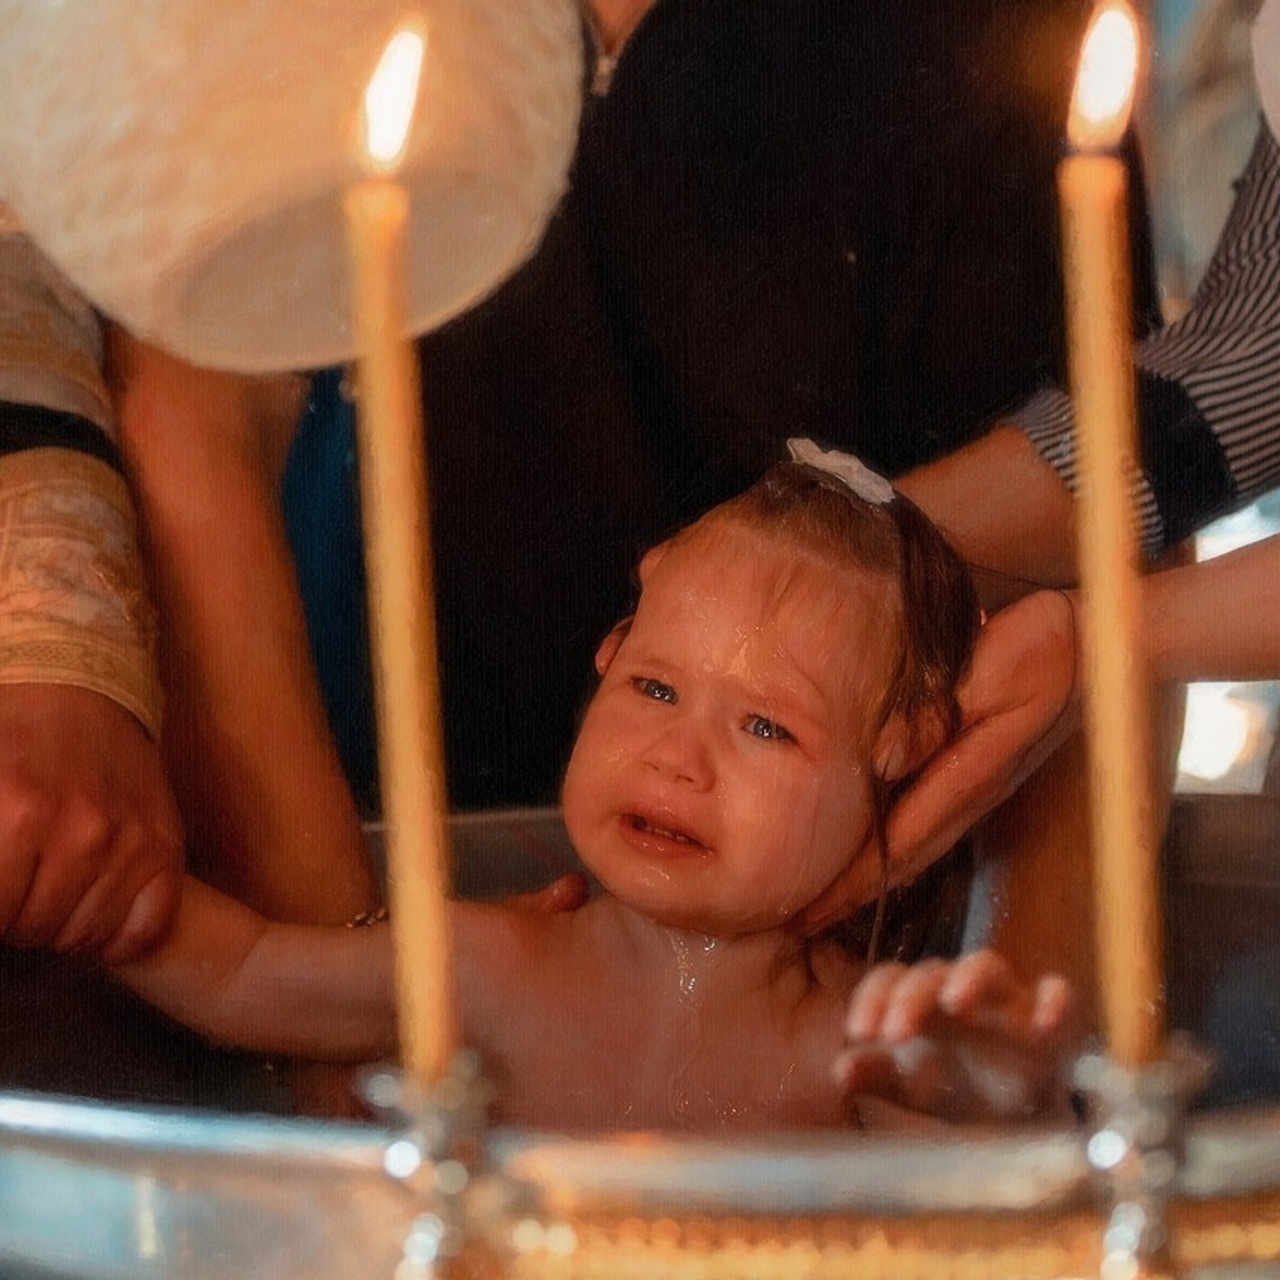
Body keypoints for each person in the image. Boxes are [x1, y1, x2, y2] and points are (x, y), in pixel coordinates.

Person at [111, 447, 1076, 1131]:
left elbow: (1017, 1180)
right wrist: (105, 894)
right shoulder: (483, 966)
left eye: (765, 727)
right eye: (654, 688)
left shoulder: (862, 1040)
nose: (677, 757)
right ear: (608, 658)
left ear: (900, 765)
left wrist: (999, 1082)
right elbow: (243, 976)